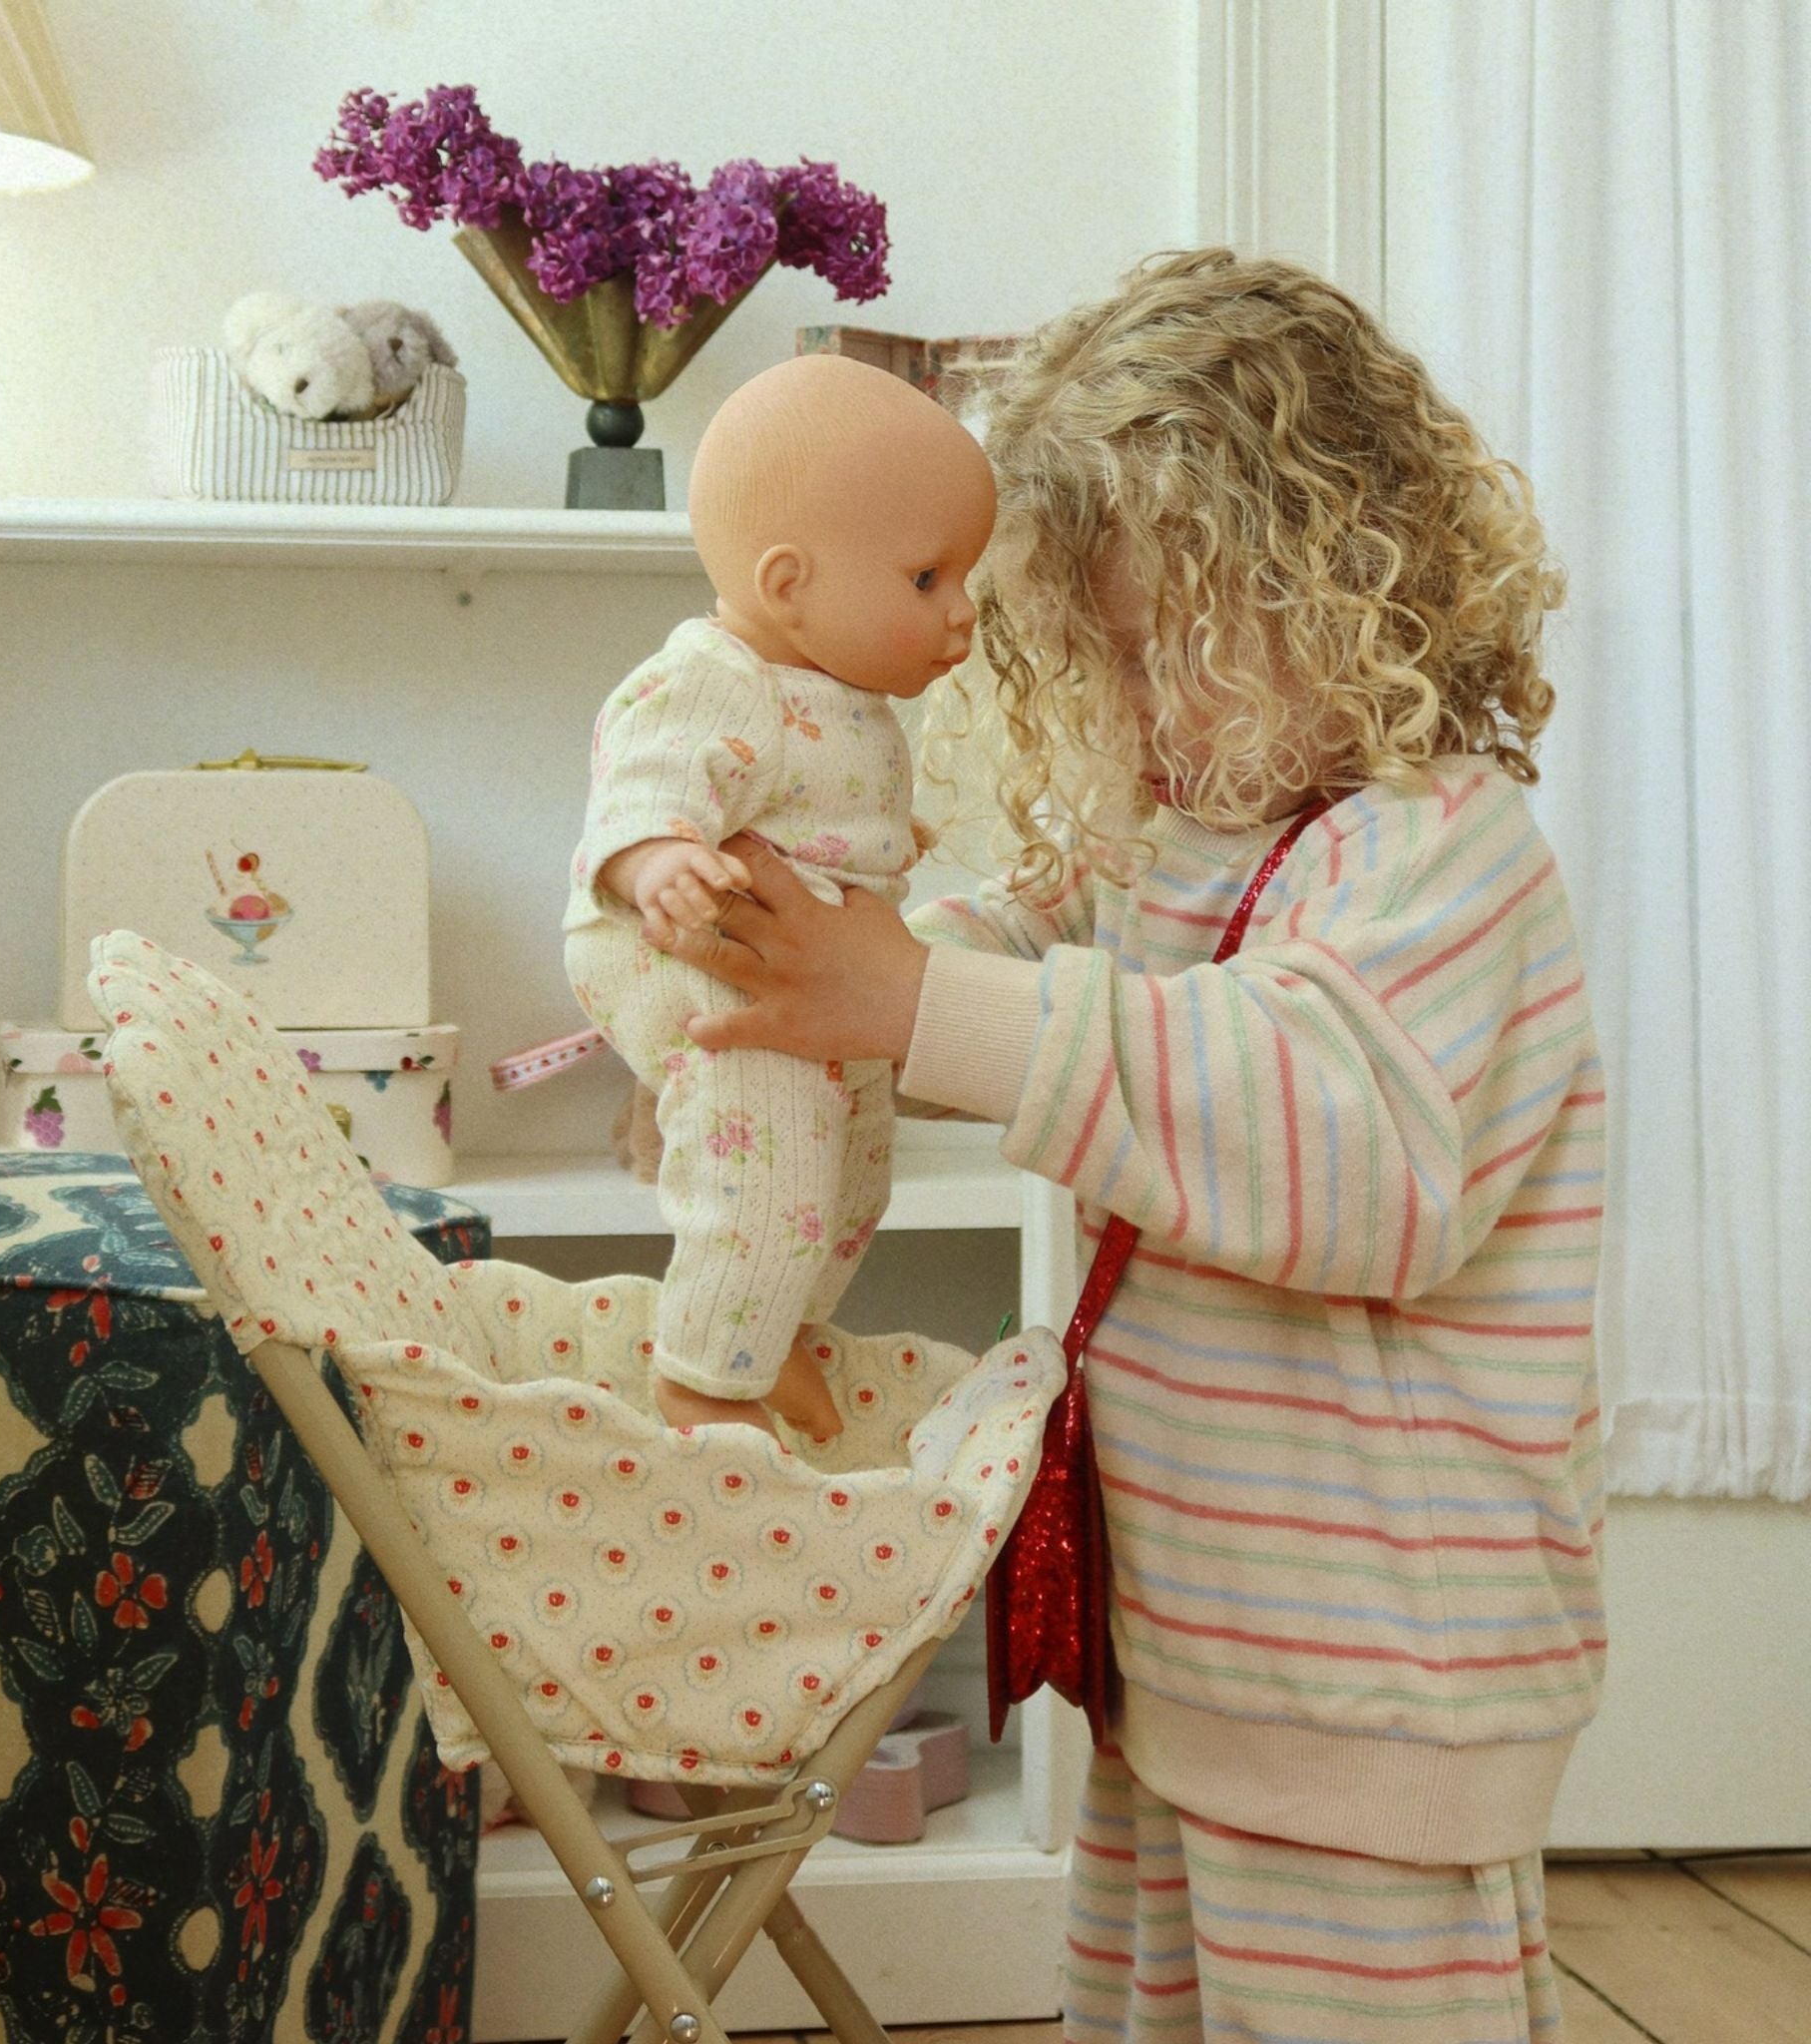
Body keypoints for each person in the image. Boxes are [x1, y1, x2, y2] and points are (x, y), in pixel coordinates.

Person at [647, 249, 1604, 2043]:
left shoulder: (1435, 852)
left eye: (1169, 651)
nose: (1141, 709)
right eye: (1102, 661)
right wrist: (782, 1000)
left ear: (1337, 587)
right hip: (1190, 1645)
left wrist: (905, 1000)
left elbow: (1327, 1135)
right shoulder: (1182, 847)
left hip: (1378, 1679)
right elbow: (998, 959)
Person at [564, 351, 996, 1444]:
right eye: (926, 579)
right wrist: (659, 861)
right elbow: (640, 786)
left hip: (791, 972)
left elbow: (816, 809)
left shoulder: (840, 692)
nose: (962, 614)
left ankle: (782, 1327)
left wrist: (881, 845)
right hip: (688, 951)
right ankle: (703, 1375)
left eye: (963, 579)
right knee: (767, 1155)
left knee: (854, 1164)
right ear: (789, 584)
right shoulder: (712, 676)